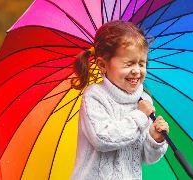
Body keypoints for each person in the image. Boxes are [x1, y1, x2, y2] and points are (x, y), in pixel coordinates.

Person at [70, 20, 169, 179]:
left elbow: (145, 157)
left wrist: (154, 139)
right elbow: (103, 138)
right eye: (128, 64)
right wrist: (139, 116)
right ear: (103, 65)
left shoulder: (143, 99)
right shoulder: (95, 96)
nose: (137, 71)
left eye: (142, 63)